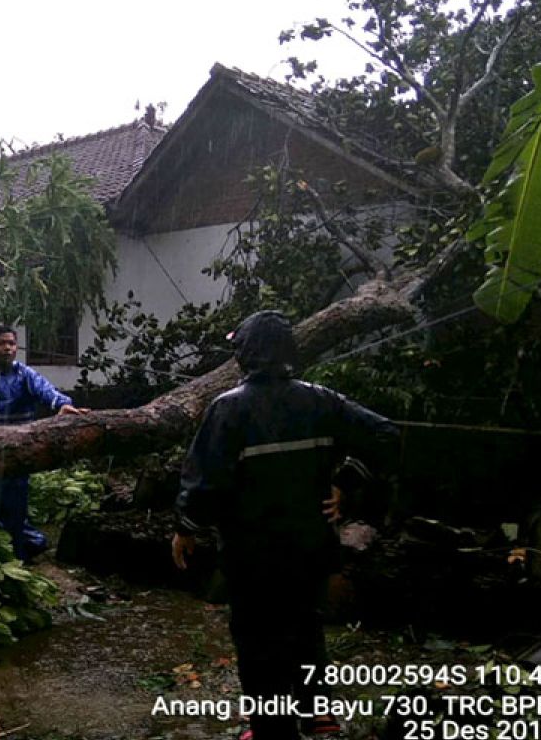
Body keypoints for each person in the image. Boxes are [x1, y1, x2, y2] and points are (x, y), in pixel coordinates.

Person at [171, 311, 399, 740]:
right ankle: (318, 715)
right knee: (305, 626)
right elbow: (386, 434)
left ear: (245, 354)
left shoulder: (228, 408)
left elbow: (204, 482)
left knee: (258, 641)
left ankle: (272, 729)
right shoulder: (321, 399)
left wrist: (185, 528)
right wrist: (348, 482)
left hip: (252, 554)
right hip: (313, 546)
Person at [0, 325, 88, 559]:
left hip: (16, 454)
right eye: (1, 343)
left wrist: (61, 404)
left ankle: (13, 559)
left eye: (12, 343)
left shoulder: (25, 375)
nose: (8, 348)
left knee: (13, 509)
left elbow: (48, 392)